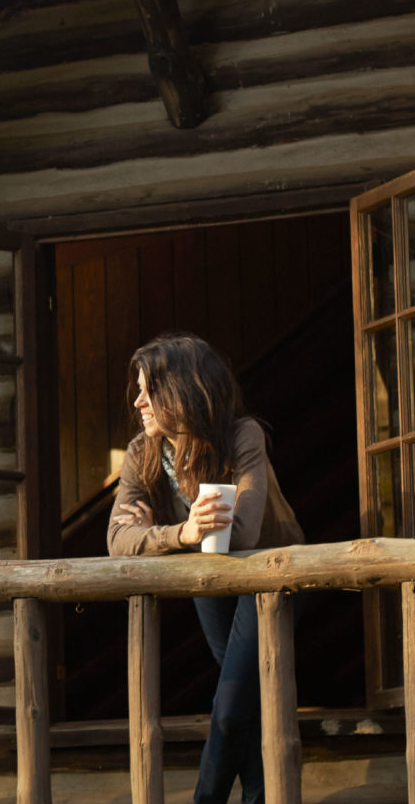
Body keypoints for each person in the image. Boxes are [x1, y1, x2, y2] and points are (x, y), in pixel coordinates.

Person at [106, 332, 303, 804]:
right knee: (245, 705)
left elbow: (245, 534)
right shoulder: (141, 453)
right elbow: (117, 540)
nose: (138, 402)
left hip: (271, 582)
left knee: (233, 707)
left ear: (182, 391)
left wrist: (178, 531)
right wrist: (181, 534)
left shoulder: (242, 435)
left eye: (147, 391)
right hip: (209, 582)